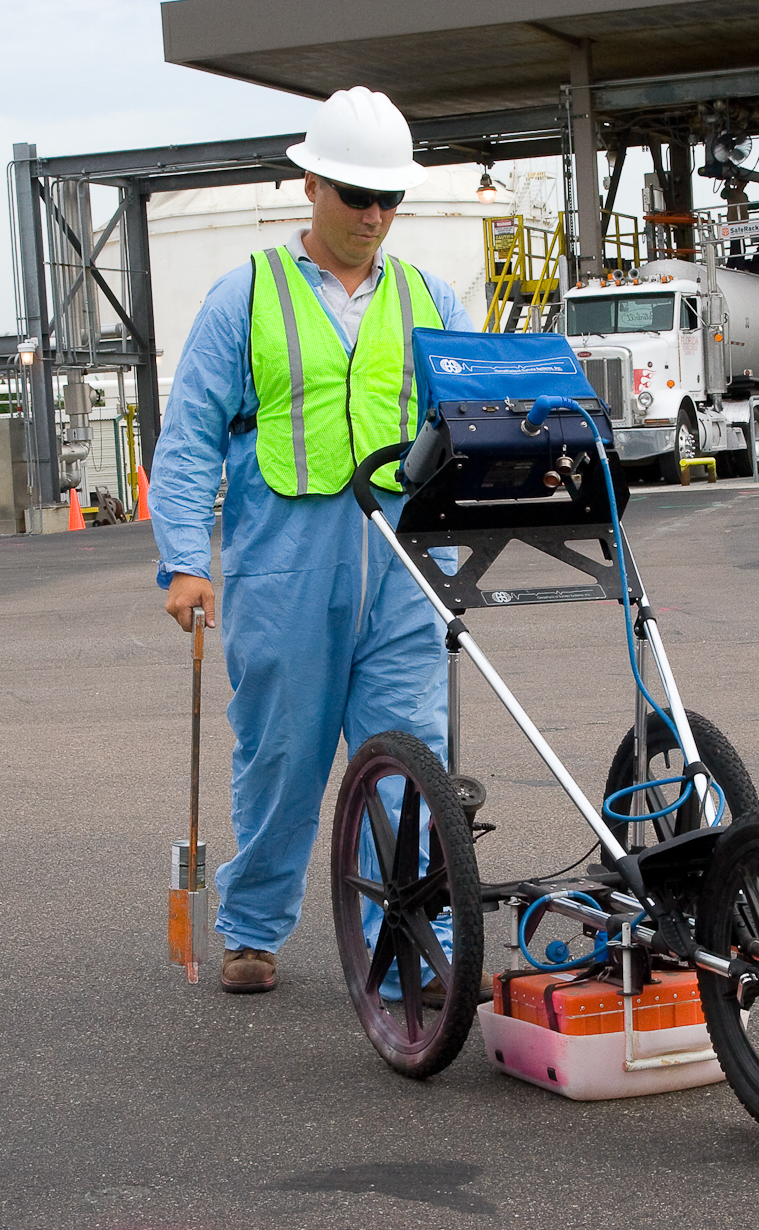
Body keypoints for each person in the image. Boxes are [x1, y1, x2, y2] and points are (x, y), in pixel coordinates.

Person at [152, 86, 474, 994]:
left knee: (410, 758)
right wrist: (183, 559)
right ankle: (252, 927)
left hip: (408, 565)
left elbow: (469, 420)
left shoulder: (428, 296)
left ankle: (410, 937)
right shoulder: (245, 295)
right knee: (281, 755)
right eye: (355, 195)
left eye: (389, 200)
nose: (375, 216)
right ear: (310, 186)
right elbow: (189, 439)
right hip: (286, 559)